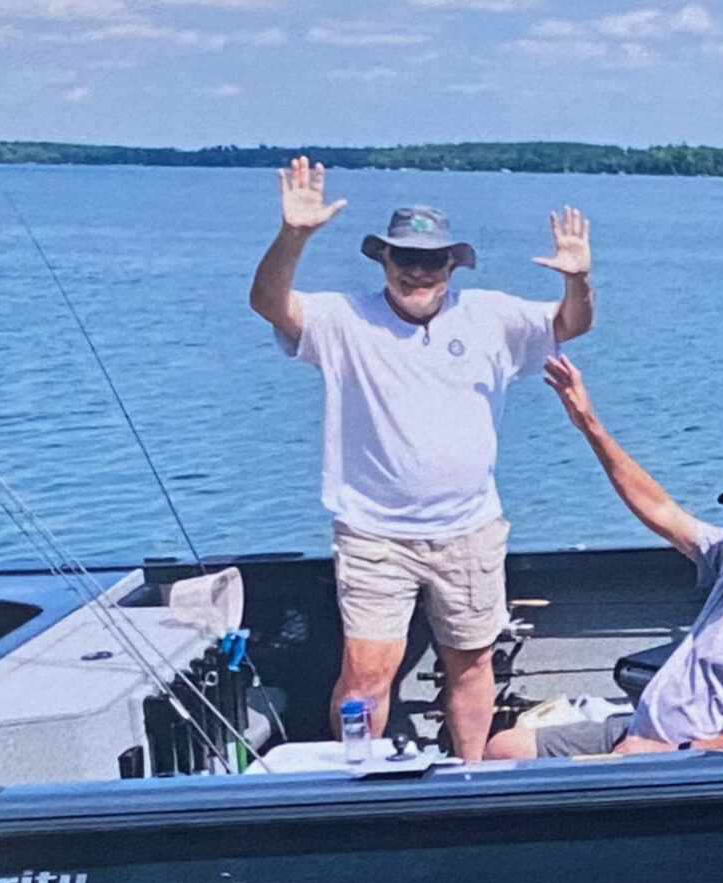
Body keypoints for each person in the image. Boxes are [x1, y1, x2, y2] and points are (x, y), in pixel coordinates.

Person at [249, 156, 595, 761]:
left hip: (470, 529)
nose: (417, 271)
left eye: (431, 259)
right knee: (365, 674)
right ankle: (355, 782)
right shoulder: (344, 319)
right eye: (403, 258)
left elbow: (571, 323)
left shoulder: (492, 315)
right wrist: (293, 236)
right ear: (383, 260)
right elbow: (270, 304)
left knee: (471, 661)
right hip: (373, 534)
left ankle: (471, 780)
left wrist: (577, 279)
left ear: (451, 264)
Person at [484, 355, 723, 759]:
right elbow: (660, 509)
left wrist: (667, 751)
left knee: (508, 762)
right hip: (639, 728)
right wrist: (589, 424)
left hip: (675, 759)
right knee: (503, 747)